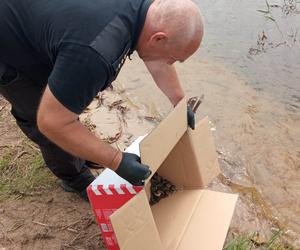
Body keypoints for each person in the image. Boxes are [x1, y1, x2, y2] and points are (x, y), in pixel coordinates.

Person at [0, 0, 204, 200]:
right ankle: (77, 179)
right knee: (46, 116)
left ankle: (84, 150)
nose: (170, 63)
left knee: (65, 97)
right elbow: (51, 122)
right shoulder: (96, 53)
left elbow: (157, 60)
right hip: (9, 44)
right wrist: (116, 161)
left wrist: (179, 102)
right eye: (173, 58)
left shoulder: (149, 12)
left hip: (41, 21)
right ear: (158, 38)